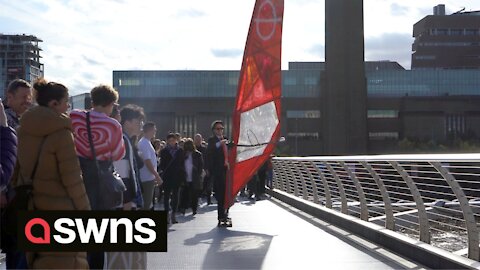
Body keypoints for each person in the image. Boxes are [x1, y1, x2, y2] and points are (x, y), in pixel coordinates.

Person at [12, 78, 91, 269]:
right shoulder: (62, 134)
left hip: (32, 208)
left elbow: (16, 174)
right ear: (54, 104)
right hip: (60, 210)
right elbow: (72, 179)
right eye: (66, 103)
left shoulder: (22, 130)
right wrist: (85, 210)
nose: (68, 107)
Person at [1, 79, 32, 268]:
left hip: (19, 193)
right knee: (14, 244)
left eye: (29, 97)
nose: (27, 101)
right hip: (7, 192)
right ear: (9, 97)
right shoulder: (4, 121)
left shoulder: (26, 121)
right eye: (23, 97)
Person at [114, 104, 145, 211]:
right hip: (125, 202)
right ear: (127, 123)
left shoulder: (127, 140)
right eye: (138, 122)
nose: (141, 125)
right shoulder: (122, 141)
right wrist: (126, 200)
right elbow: (122, 173)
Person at [206, 120, 231, 226]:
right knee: (220, 194)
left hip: (228, 170)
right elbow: (210, 151)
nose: (220, 131)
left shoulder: (226, 139)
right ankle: (221, 216)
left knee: (228, 193)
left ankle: (226, 213)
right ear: (214, 130)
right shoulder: (212, 141)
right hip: (218, 171)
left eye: (221, 128)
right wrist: (219, 144)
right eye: (218, 129)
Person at [160, 133, 185, 224]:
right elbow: (162, 164)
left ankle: (173, 214)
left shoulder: (180, 151)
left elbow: (182, 164)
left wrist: (182, 175)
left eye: (173, 140)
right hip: (167, 176)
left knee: (175, 196)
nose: (171, 142)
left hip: (177, 176)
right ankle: (166, 214)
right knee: (166, 196)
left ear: (176, 141)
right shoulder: (164, 151)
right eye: (169, 141)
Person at [138, 122, 162, 210]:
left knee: (148, 203)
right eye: (154, 129)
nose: (155, 131)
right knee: (146, 204)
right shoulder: (144, 143)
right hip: (146, 178)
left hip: (148, 177)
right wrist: (157, 175)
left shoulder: (147, 142)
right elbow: (147, 161)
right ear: (149, 130)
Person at [180, 139, 204, 216]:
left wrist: (198, 174)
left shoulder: (197, 154)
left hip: (194, 177)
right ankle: (183, 208)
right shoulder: (183, 155)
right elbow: (180, 165)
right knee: (185, 194)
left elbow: (201, 166)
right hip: (185, 176)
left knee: (194, 194)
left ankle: (194, 209)